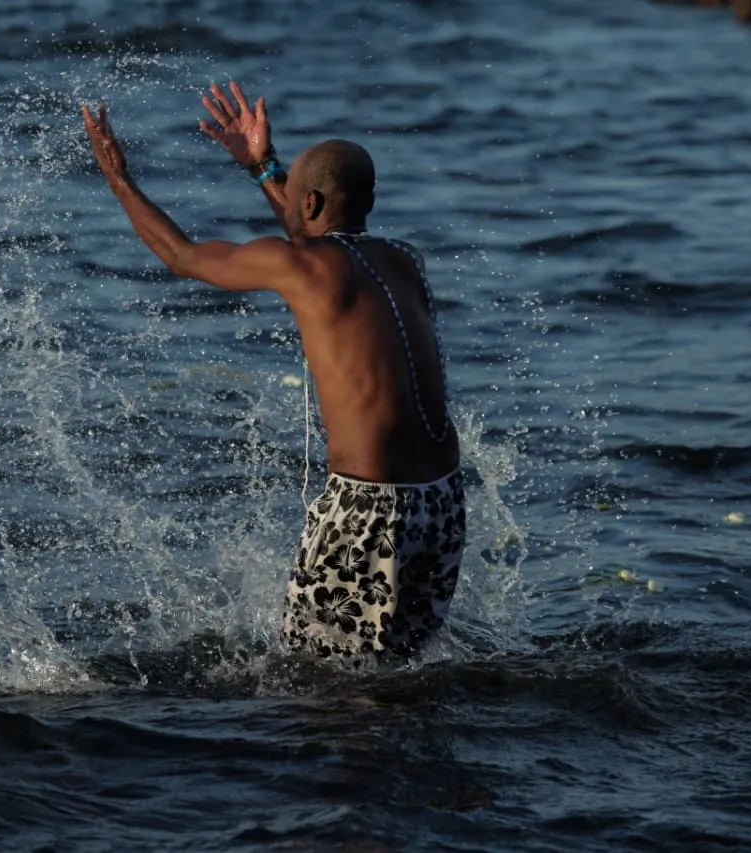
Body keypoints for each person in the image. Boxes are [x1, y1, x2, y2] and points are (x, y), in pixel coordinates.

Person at [82, 80, 465, 662]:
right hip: (441, 501)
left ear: (307, 205)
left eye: (293, 198)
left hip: (370, 510)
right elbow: (315, 232)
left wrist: (116, 175)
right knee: (398, 671)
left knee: (317, 679)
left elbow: (182, 257)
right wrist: (263, 168)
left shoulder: (301, 265)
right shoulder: (405, 259)